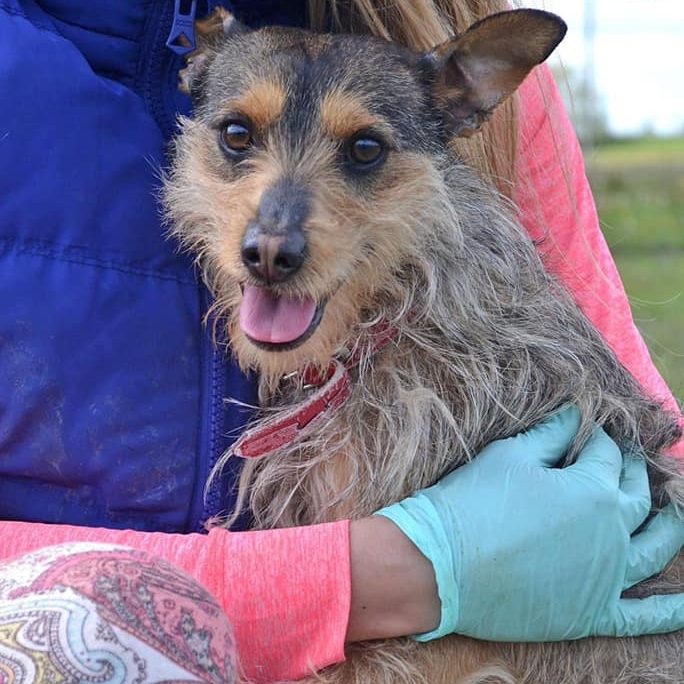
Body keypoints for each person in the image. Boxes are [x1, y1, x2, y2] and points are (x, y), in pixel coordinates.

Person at [0, 1, 682, 682]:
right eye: (238, 135)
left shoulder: (451, 30)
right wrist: (382, 576)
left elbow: (644, 419)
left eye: (363, 152)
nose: (274, 239)